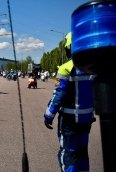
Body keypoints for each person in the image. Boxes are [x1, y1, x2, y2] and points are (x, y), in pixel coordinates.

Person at [43, 32, 96, 172]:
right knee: (82, 152)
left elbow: (59, 95)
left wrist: (49, 115)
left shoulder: (66, 67)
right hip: (86, 120)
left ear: (69, 47)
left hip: (69, 121)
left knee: (69, 153)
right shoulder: (93, 67)